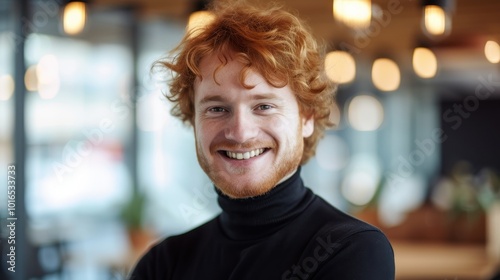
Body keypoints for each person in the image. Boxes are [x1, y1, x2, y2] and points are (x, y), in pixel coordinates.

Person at [130, 0, 395, 279]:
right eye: (217, 109)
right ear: (192, 119)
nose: (241, 132)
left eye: (263, 106)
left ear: (307, 118)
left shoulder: (352, 250)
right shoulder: (162, 264)